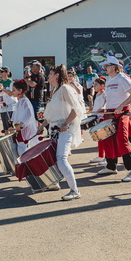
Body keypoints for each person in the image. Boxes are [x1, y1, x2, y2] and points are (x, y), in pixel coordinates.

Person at [37, 65, 85, 200]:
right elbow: (51, 114)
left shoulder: (65, 89)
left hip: (65, 129)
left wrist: (66, 123)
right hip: (56, 129)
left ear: (57, 76)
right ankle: (55, 183)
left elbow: (77, 109)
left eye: (50, 74)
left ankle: (75, 190)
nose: (48, 76)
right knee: (54, 158)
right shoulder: (56, 90)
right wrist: (42, 126)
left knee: (61, 159)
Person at [96, 56, 131, 181]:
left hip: (123, 113)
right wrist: (104, 108)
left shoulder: (122, 78)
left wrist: (121, 105)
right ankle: (111, 167)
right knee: (108, 140)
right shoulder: (109, 79)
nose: (104, 68)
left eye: (107, 66)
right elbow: (110, 98)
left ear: (114, 67)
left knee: (122, 140)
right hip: (110, 113)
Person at [8, 79, 38, 155]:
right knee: (20, 146)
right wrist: (12, 121)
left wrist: (21, 124)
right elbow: (18, 113)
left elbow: (28, 114)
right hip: (21, 128)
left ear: (20, 90)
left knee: (21, 147)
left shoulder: (24, 101)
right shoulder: (21, 101)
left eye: (14, 90)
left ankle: (25, 161)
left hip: (24, 128)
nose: (12, 92)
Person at [89, 77, 107, 165]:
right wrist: (92, 109)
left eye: (96, 85)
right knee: (99, 138)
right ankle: (100, 156)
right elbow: (97, 106)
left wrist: (103, 108)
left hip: (103, 118)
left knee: (105, 139)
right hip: (97, 117)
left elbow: (107, 103)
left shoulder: (104, 94)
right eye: (94, 84)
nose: (94, 86)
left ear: (102, 86)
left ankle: (107, 157)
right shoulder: (97, 95)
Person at [0, 67, 18, 133]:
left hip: (10, 106)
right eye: (0, 72)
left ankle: (14, 138)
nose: (0, 73)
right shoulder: (0, 82)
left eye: (2, 72)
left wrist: (3, 89)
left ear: (7, 73)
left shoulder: (11, 82)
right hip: (3, 106)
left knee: (10, 127)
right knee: (5, 128)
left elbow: (11, 93)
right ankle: (7, 139)